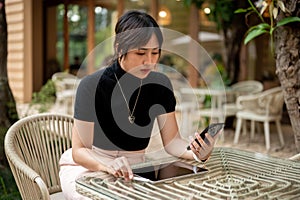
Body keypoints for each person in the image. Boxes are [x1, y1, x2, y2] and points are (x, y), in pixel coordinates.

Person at [59, 10, 221, 199]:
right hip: (88, 168)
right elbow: (80, 151)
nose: (149, 61)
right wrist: (108, 165)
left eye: (155, 52)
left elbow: (173, 143)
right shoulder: (91, 86)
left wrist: (198, 153)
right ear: (120, 48)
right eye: (141, 52)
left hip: (133, 170)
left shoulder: (160, 86)